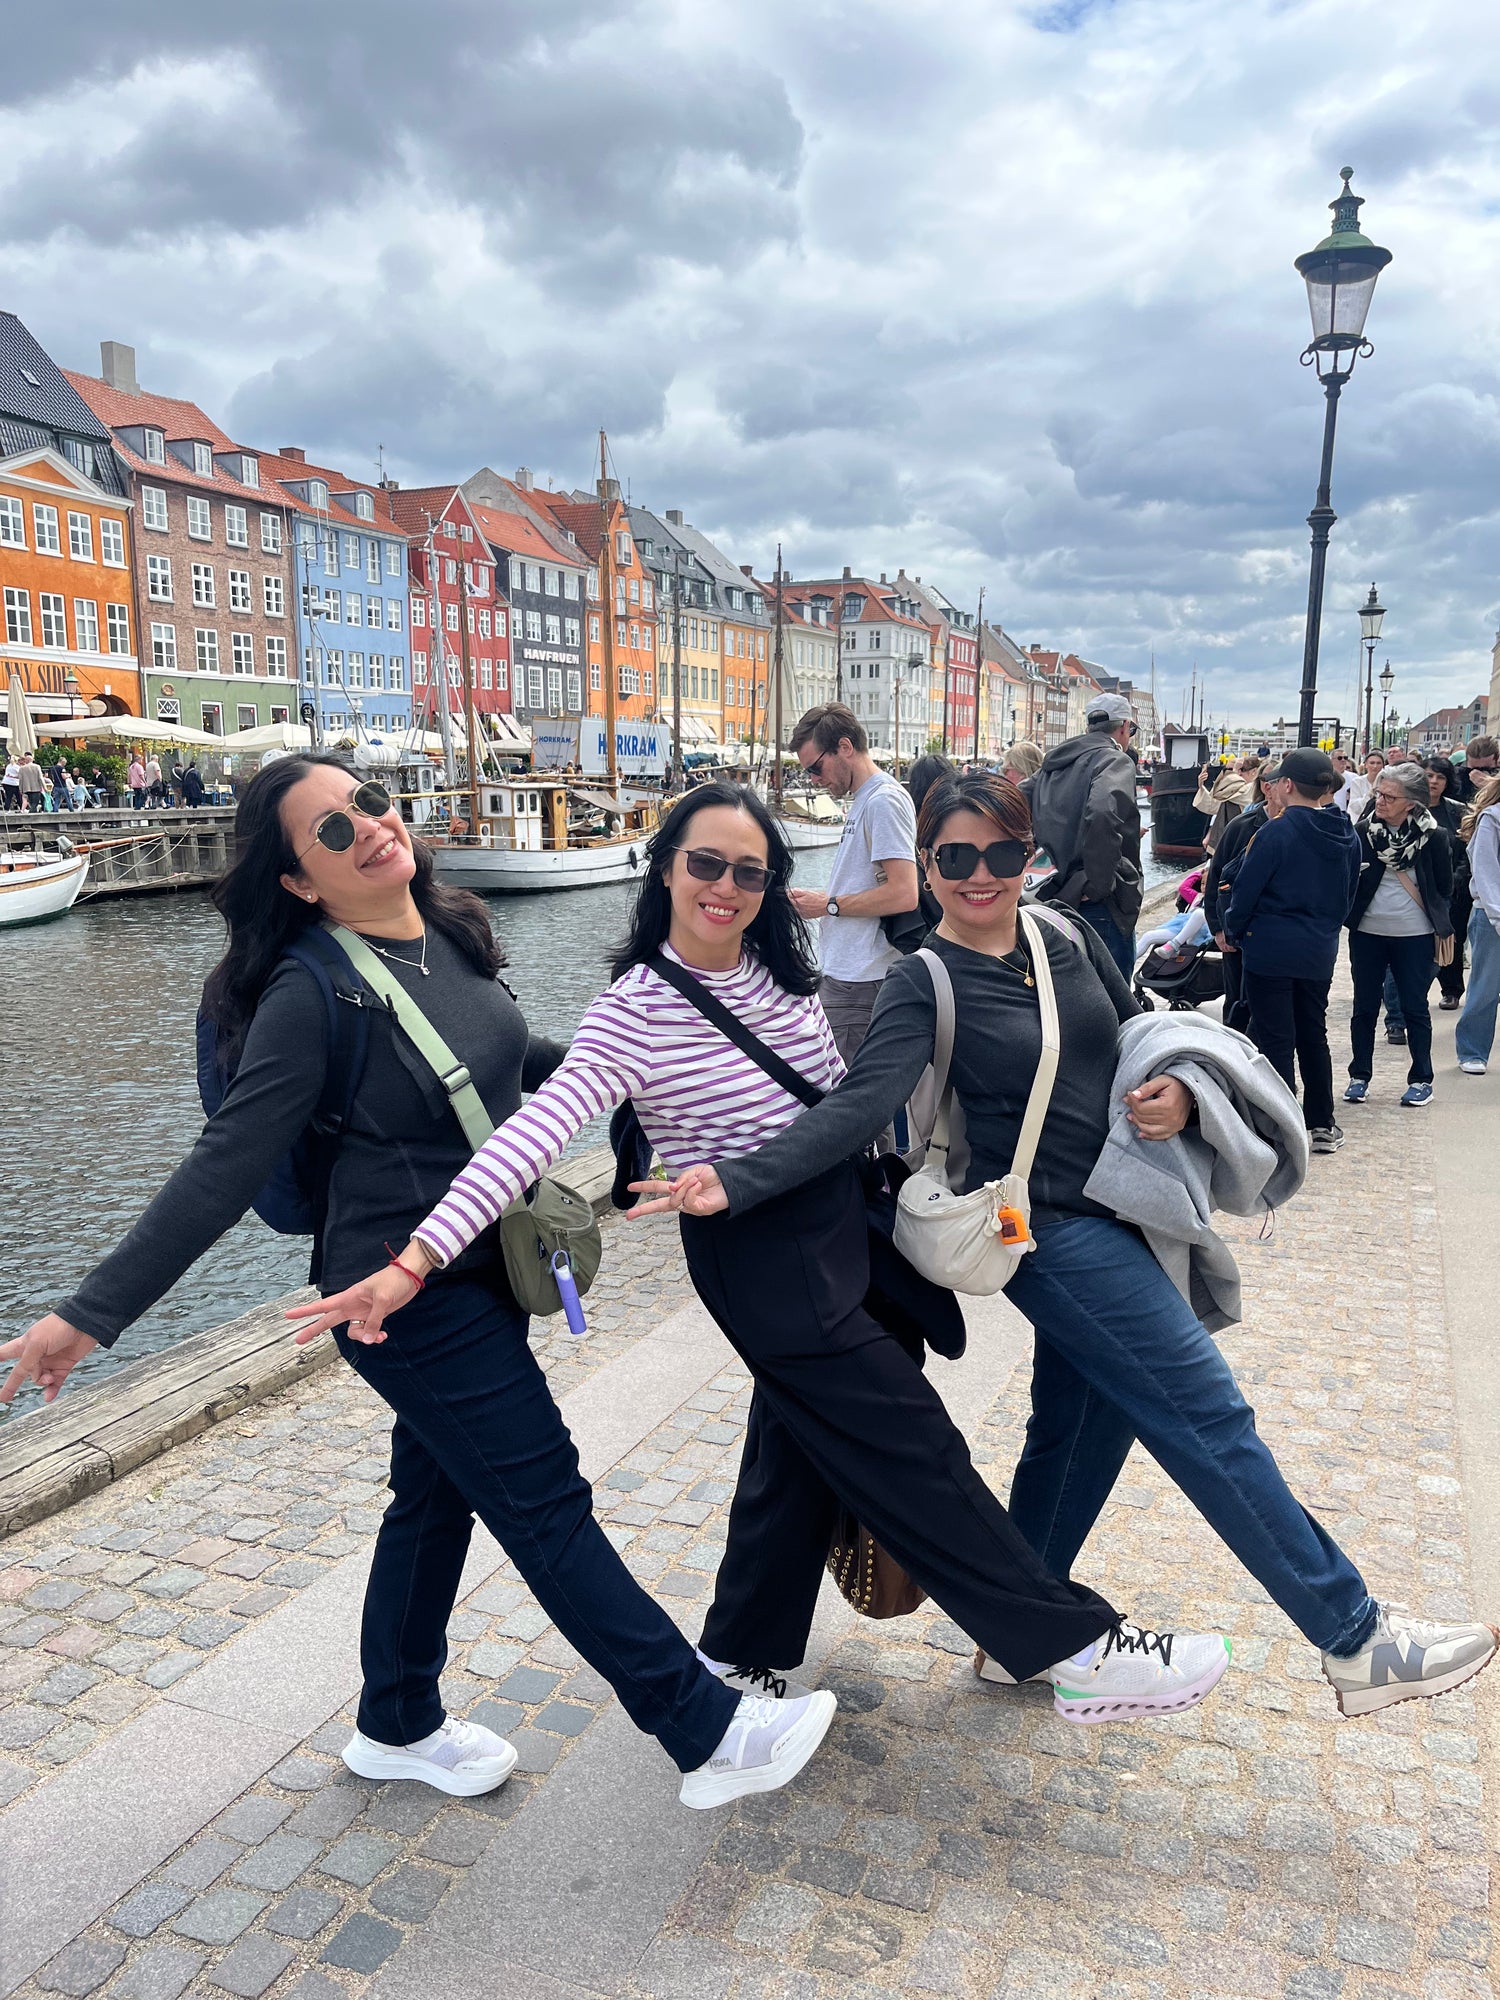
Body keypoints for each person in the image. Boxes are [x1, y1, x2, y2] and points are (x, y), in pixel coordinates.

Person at [301, 779, 1236, 1724]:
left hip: (846, 1223)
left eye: (749, 872)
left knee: (793, 1444)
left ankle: (745, 1650)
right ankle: (1073, 1648)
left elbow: (840, 1098)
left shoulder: (774, 970)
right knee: (911, 1444)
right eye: (706, 863)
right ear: (666, 868)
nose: (726, 887)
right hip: (761, 1253)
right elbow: (531, 1136)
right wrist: (416, 1259)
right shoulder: (633, 1010)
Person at [0, 756, 828, 1812]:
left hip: (481, 1262)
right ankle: (704, 1732)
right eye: (331, 831)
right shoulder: (309, 991)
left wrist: (655, 1070)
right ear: (297, 880)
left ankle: (395, 1720)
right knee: (544, 1499)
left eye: (369, 802)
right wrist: (88, 1316)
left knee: (435, 1498)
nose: (368, 827)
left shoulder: (446, 926)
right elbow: (227, 1163)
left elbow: (508, 1055)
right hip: (399, 1292)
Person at [636, 772, 1497, 1718]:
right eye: (956, 856)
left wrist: (1179, 1091)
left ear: (1030, 854)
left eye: (1002, 853)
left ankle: (1017, 1645)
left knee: (1083, 1425)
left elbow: (1134, 1032)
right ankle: (1356, 1639)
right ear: (927, 863)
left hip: (1125, 1205)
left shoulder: (1065, 934)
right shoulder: (922, 980)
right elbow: (858, 1107)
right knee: (1207, 1416)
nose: (981, 875)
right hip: (1046, 1233)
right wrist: (737, 1178)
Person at [1224, 748, 1358, 1154]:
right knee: (1313, 1033)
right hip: (1318, 948)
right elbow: (1349, 895)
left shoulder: (1275, 832)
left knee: (1275, 1039)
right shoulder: (1347, 833)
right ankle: (1322, 1122)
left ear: (1286, 785)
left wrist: (1235, 930)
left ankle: (1283, 1127)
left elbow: (1245, 891)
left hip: (1270, 947)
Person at [786, 703, 919, 1064]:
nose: (813, 779)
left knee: (845, 1091)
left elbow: (904, 893)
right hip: (851, 976)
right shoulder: (867, 800)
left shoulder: (882, 801)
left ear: (844, 747)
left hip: (861, 980)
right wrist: (825, 900)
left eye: (815, 768)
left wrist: (828, 905)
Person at [1342, 761, 1453, 1111]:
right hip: (1368, 933)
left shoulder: (1434, 836)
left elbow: (1444, 886)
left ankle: (1421, 1079)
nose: (1381, 801)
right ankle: (1359, 1076)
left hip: (1415, 934)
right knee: (1364, 1006)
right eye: (1379, 793)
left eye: (1390, 797)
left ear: (1411, 803)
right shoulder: (1363, 831)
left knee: (1414, 1007)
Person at [1024, 691, 1142, 980]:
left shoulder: (1052, 765)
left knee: (1063, 989)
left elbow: (1011, 801)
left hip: (1052, 894)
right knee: (1112, 994)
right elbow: (1102, 811)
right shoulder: (1114, 760)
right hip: (1097, 903)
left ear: (1089, 726)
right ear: (1125, 727)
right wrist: (1099, 883)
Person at [1204, 760, 1281, 1033]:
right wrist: (1218, 928)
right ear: (1267, 788)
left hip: (1278, 936)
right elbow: (1216, 878)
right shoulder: (1241, 827)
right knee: (1237, 1004)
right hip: (1239, 933)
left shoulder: (1298, 828)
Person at [1455, 774, 1500, 1075]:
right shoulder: (1492, 818)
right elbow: (1485, 871)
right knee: (1485, 987)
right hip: (1491, 915)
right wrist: (1497, 915)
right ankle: (1472, 1050)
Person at [1423, 756, 1470, 1010]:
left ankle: (1451, 989)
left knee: (1452, 937)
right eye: (1429, 775)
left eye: (1440, 777)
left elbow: (1467, 852)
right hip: (1416, 886)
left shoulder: (1457, 811)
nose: (1434, 781)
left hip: (1451, 887)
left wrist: (1455, 881)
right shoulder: (1408, 806)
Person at [1452, 734, 1498, 806]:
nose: (1479, 774)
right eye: (1474, 768)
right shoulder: (1455, 776)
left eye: (1486, 768)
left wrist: (1492, 787)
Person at [1331, 749, 1371, 820]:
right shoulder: (1328, 776)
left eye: (1345, 758)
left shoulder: (1354, 777)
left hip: (1347, 815)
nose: (1343, 760)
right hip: (1331, 812)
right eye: (1340, 758)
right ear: (1332, 760)